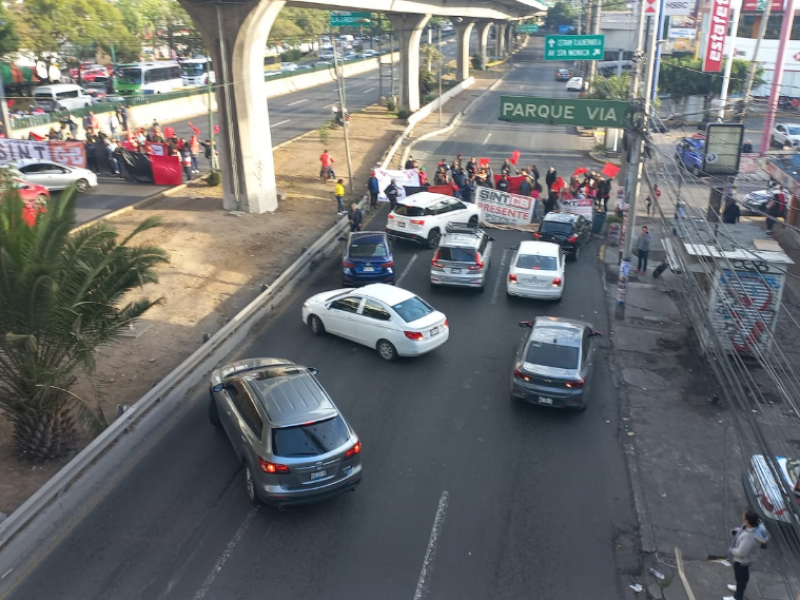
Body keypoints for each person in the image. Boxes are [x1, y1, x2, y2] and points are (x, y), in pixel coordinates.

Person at [724, 511, 768, 600]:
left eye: (744, 515)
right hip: (746, 560)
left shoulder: (749, 537)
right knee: (743, 576)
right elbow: (743, 530)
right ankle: (739, 587)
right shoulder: (756, 527)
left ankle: (738, 597)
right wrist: (737, 531)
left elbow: (741, 553)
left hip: (742, 561)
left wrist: (731, 551)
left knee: (740, 577)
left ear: (747, 521)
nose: (743, 515)